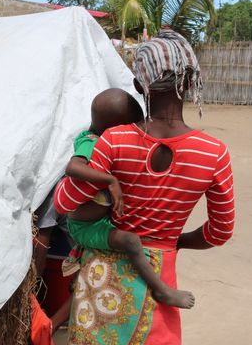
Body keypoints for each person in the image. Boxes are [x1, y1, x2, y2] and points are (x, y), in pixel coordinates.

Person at [54, 28, 235, 345]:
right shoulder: (214, 154)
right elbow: (220, 232)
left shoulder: (113, 142)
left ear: (140, 84)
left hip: (104, 277)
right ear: (191, 80)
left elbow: (67, 204)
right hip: (161, 272)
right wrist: (174, 241)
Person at [62, 88, 195, 309]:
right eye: (132, 126)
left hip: (98, 217)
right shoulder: (90, 142)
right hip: (84, 225)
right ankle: (161, 290)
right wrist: (110, 181)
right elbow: (73, 167)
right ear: (115, 129)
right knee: (131, 241)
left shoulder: (105, 141)